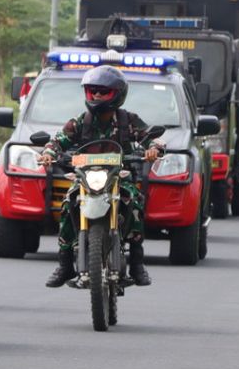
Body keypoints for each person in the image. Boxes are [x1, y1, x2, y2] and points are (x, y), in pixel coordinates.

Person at [38, 65, 164, 288]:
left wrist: (154, 148)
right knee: (68, 203)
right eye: (93, 90)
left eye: (103, 91)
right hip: (85, 178)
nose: (96, 95)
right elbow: (57, 141)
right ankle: (65, 264)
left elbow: (149, 138)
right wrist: (48, 153)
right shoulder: (80, 121)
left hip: (119, 177)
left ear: (118, 94)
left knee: (134, 201)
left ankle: (137, 263)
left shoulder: (128, 120)